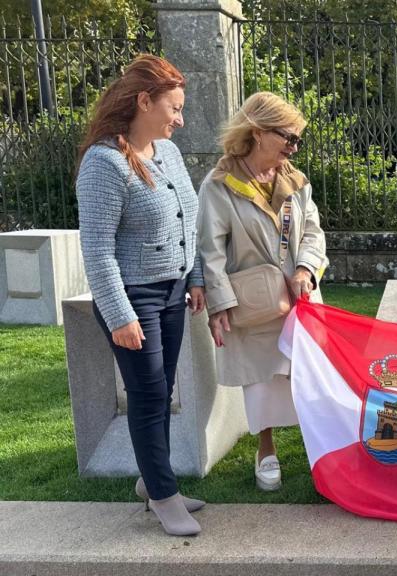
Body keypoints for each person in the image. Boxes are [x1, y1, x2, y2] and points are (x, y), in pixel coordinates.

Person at [76, 54, 206, 536]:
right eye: (173, 107)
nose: (180, 118)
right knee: (149, 395)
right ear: (144, 101)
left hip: (172, 292)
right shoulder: (104, 162)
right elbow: (97, 249)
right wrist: (119, 315)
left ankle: (153, 482)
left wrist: (194, 278)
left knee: (161, 389)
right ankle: (162, 494)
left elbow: (186, 221)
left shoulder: (166, 153)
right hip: (134, 299)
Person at [197, 92, 328, 491]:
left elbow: (313, 232)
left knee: (309, 375)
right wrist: (219, 304)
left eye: (297, 140)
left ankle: (318, 446)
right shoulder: (219, 185)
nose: (293, 146)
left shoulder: (295, 180)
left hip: (301, 297)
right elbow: (210, 251)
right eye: (288, 137)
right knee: (261, 377)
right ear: (257, 133)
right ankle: (265, 448)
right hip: (253, 301)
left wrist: (306, 269)